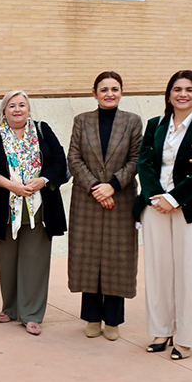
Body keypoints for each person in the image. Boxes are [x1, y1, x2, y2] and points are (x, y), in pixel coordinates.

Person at [135, 70, 192, 360]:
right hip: (155, 205)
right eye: (177, 89)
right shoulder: (155, 124)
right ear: (168, 94)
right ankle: (161, 330)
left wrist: (174, 198)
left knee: (188, 272)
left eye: (189, 89)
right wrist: (157, 197)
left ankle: (185, 338)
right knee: (159, 271)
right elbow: (145, 162)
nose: (182, 94)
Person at [0, 90, 68, 336]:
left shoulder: (42, 130)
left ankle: (31, 314)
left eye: (22, 105)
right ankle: (10, 308)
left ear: (28, 109)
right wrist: (10, 185)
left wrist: (43, 180)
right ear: (3, 111)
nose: (17, 110)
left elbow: (60, 161)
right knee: (7, 261)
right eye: (12, 106)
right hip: (4, 208)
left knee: (34, 261)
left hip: (39, 208)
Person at [67, 72, 143, 341]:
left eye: (114, 89)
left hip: (120, 198)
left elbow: (136, 159)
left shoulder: (132, 121)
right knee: (88, 257)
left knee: (116, 258)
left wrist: (112, 185)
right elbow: (73, 157)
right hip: (87, 198)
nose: (109, 93)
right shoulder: (82, 120)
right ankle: (91, 317)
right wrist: (95, 188)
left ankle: (112, 320)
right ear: (94, 92)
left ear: (122, 91)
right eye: (104, 89)